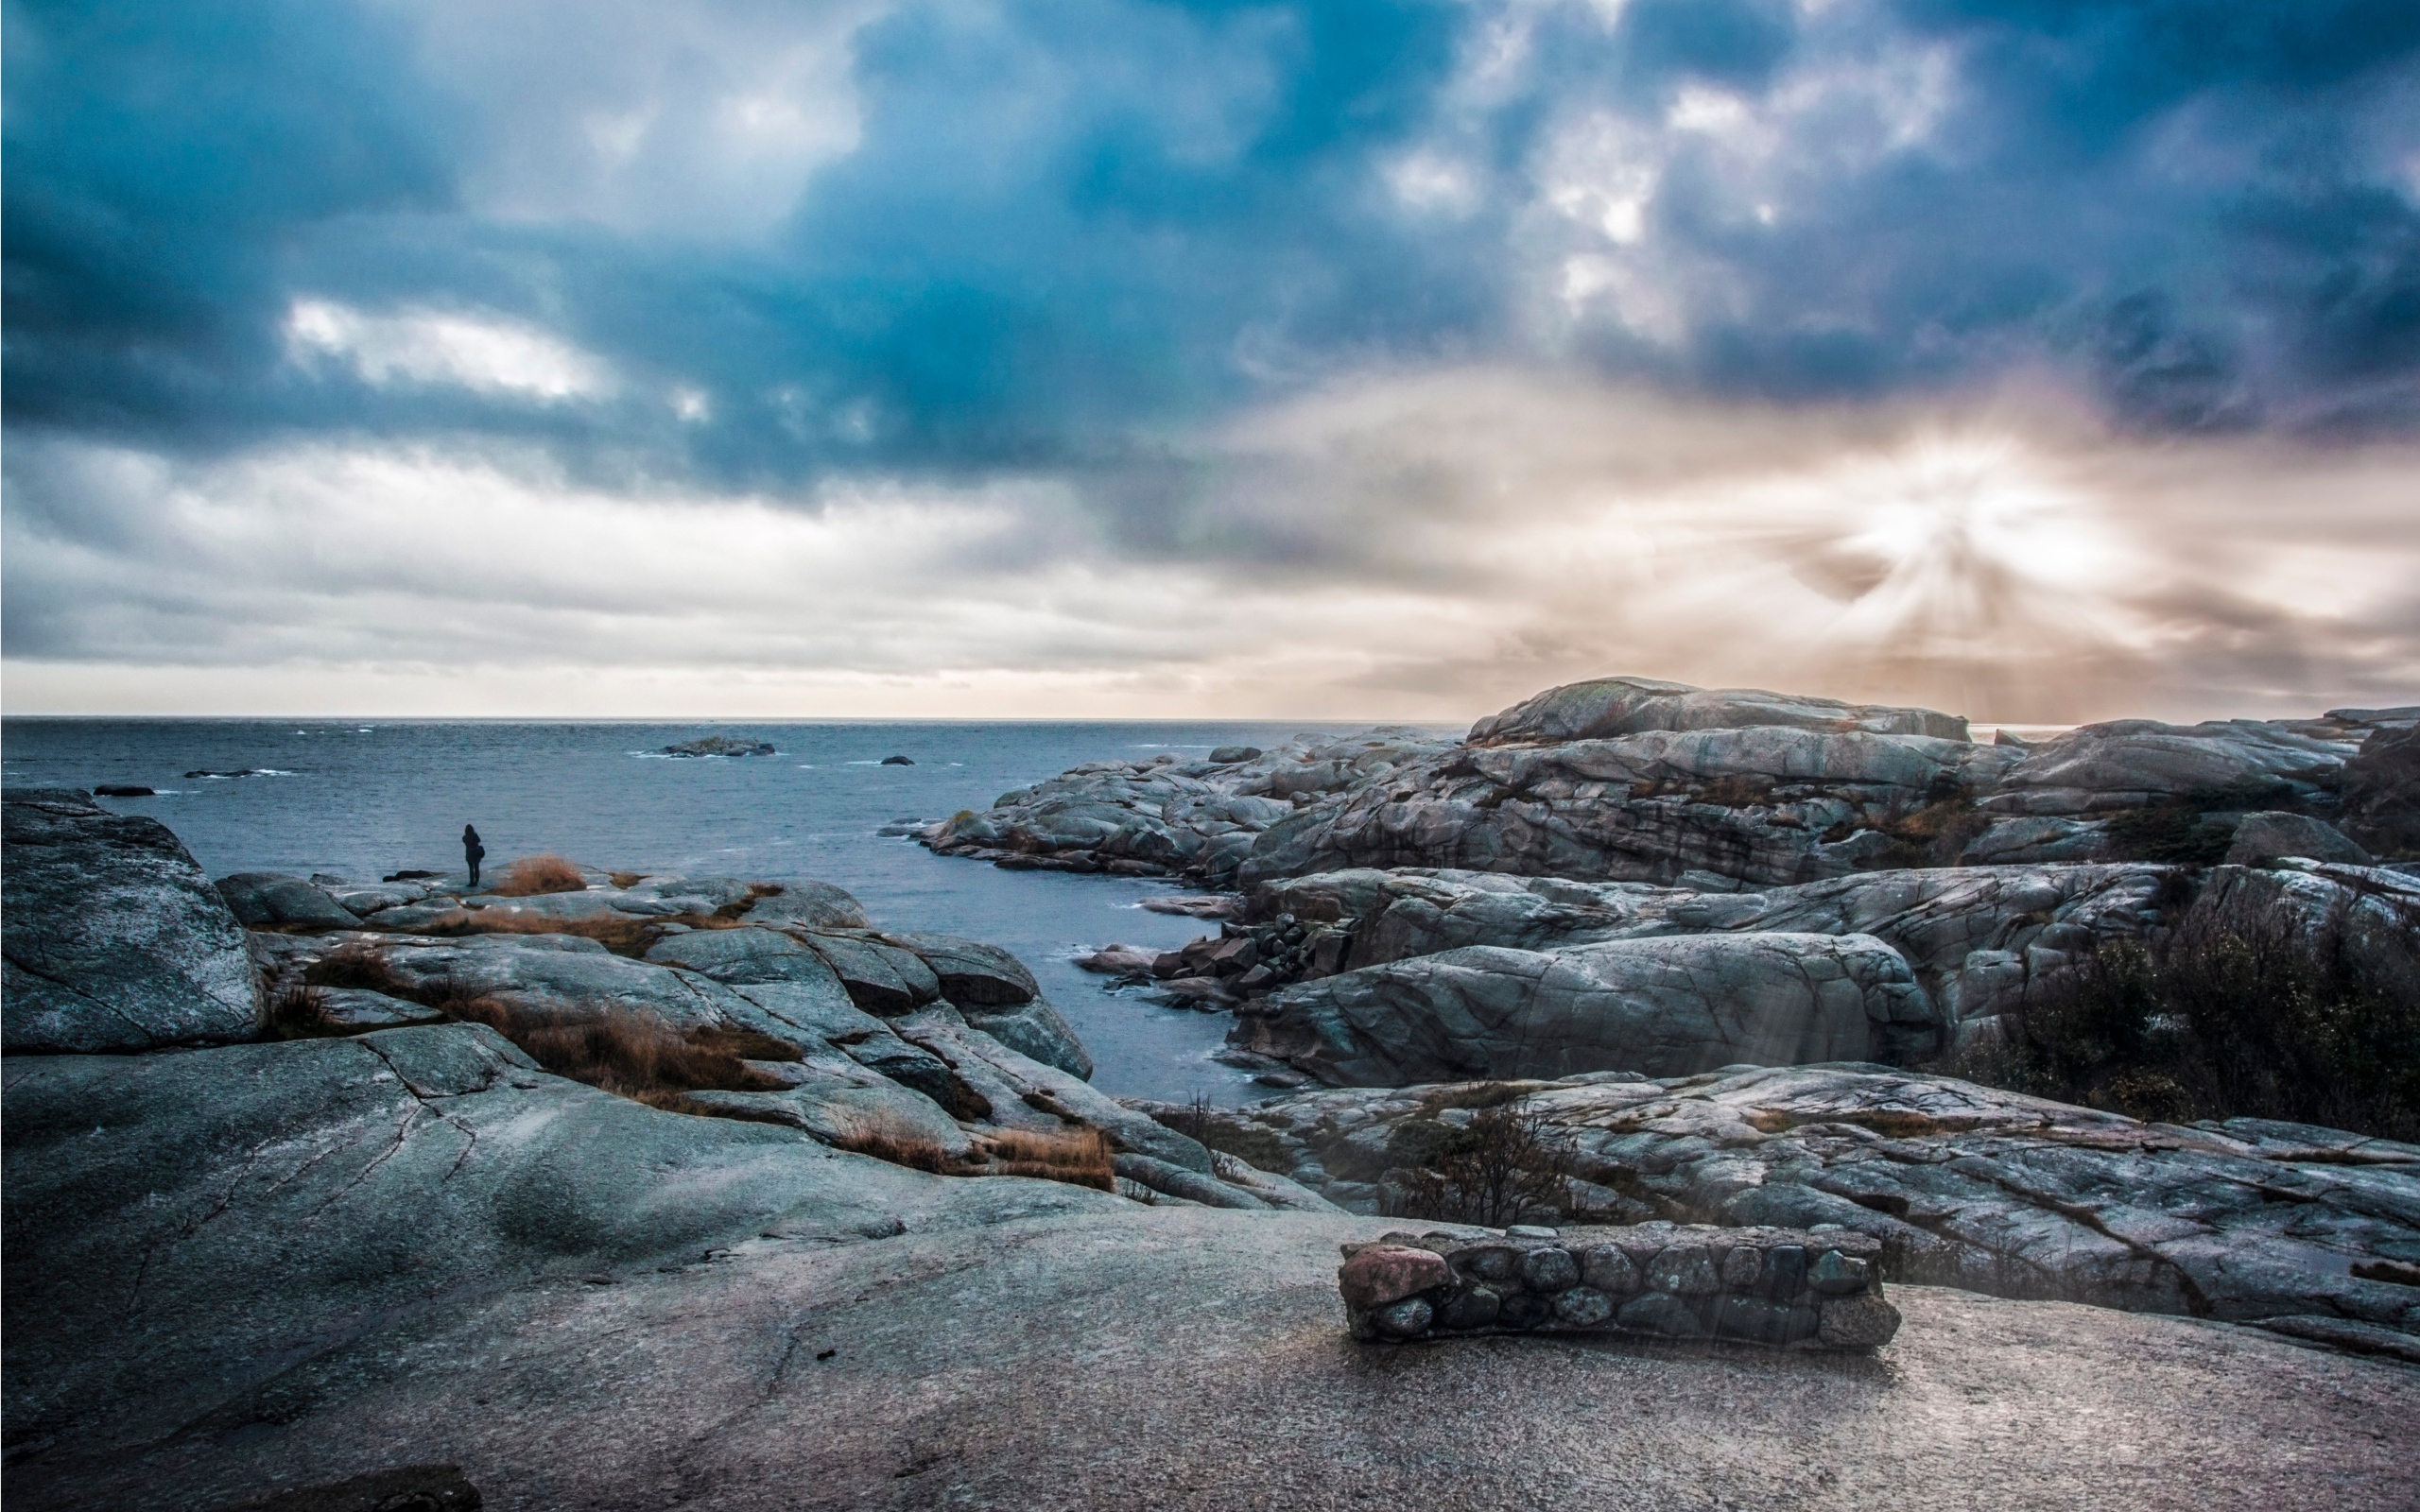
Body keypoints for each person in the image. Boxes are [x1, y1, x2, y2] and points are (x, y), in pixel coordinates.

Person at [462, 824, 486, 889]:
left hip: (469, 854)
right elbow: (479, 840)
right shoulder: (474, 837)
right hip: (476, 854)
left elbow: (464, 841)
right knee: (476, 868)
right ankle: (476, 882)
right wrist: (475, 834)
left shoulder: (464, 837)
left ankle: (471, 882)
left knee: (471, 869)